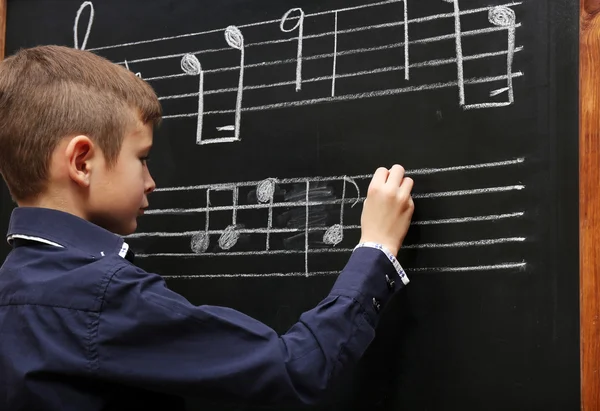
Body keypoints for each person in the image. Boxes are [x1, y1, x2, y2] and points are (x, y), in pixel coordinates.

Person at [0, 45, 415, 411]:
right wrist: (375, 250)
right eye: (141, 157)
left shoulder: (13, 288)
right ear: (81, 162)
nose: (150, 180)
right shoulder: (101, 296)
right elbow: (297, 367)